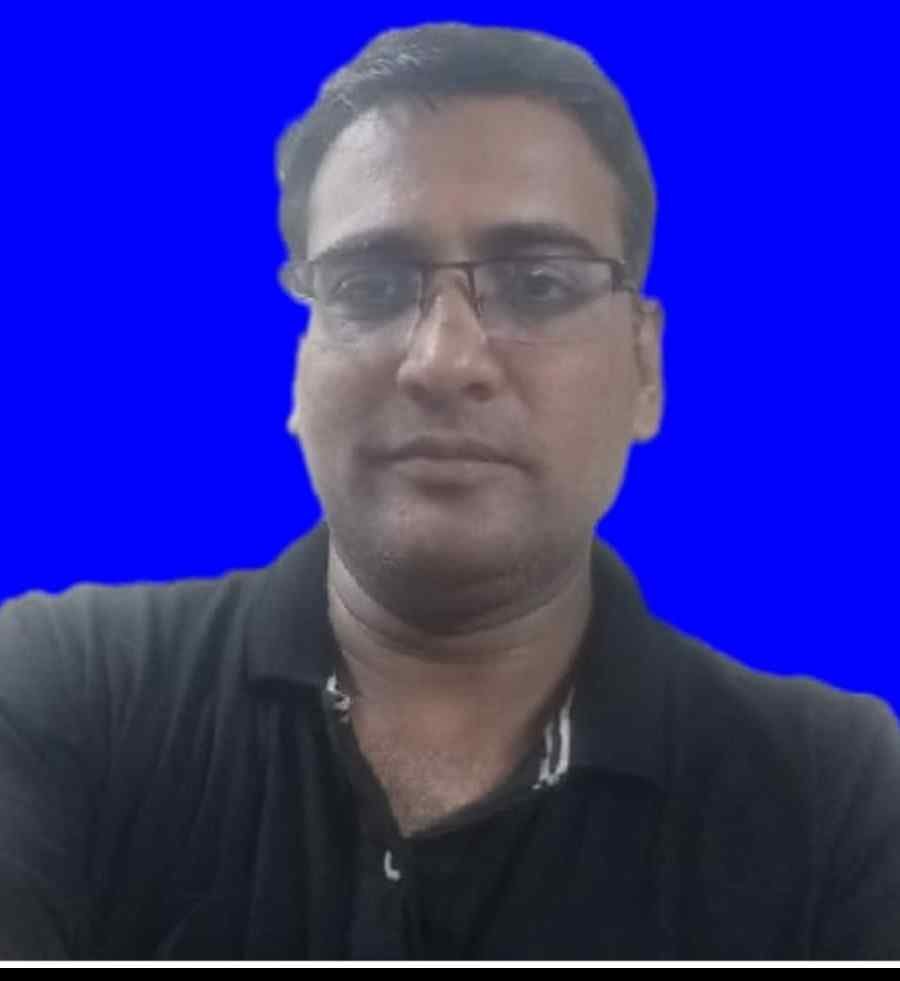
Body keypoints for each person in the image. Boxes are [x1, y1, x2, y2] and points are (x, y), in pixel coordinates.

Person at [1, 22, 898, 962]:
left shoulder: (833, 791)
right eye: (370, 287)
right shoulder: (70, 692)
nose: (443, 360)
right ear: (299, 370)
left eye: (539, 285)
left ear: (644, 364)